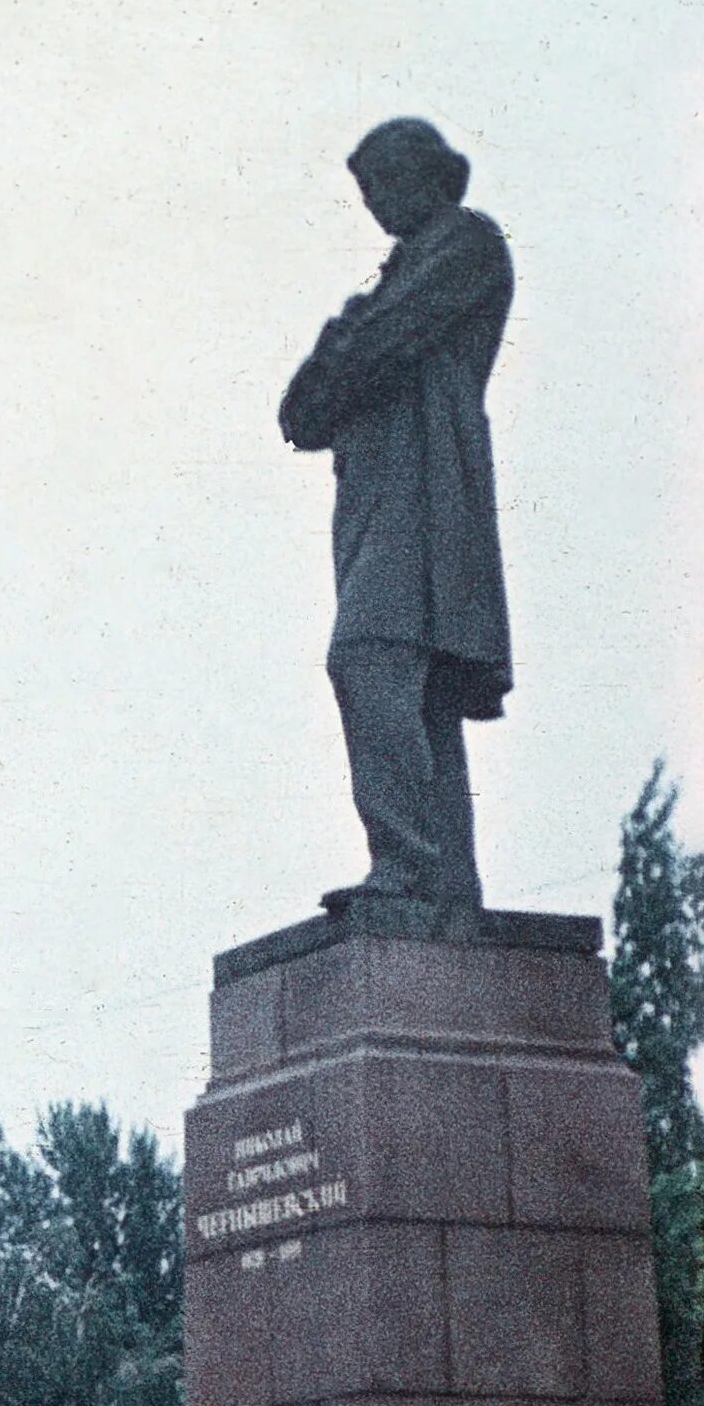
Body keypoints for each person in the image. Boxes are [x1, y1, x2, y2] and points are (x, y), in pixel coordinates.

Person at [279, 118, 512, 914]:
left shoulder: (466, 247)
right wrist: (348, 343)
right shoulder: (396, 276)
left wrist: (344, 339)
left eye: (381, 184)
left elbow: (383, 343)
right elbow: (300, 416)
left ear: (427, 174)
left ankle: (407, 864)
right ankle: (443, 884)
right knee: (416, 696)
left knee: (368, 660)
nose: (374, 204)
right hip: (376, 499)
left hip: (430, 497)